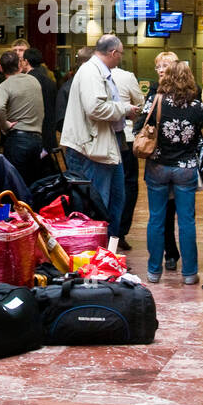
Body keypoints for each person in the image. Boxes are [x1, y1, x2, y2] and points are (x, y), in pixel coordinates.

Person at [62, 35, 141, 252]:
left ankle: (108, 250)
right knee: (98, 202)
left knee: (116, 198)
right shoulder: (90, 73)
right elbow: (95, 108)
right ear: (113, 53)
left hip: (106, 144)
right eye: (121, 54)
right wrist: (125, 109)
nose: (120, 58)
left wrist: (122, 111)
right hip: (92, 149)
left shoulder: (100, 72)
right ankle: (93, 253)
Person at [141, 60, 203, 284]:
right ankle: (189, 274)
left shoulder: (155, 100)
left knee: (156, 219)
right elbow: (199, 135)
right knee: (186, 221)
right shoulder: (198, 106)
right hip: (186, 169)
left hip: (158, 165)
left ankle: (153, 272)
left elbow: (141, 123)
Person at [137, 51, 182, 267]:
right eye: (158, 66)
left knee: (173, 213)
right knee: (163, 213)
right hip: (164, 161)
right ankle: (169, 254)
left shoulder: (187, 93)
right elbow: (142, 122)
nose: (161, 70)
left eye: (165, 65)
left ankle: (169, 255)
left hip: (169, 161)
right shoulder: (155, 90)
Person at [0, 50, 45, 184]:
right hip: (37, 139)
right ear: (20, 65)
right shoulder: (34, 81)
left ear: (0, 68)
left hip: (17, 140)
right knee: (33, 181)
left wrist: (5, 125)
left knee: (15, 183)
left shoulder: (4, 86)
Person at [112, 62, 146, 252]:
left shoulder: (87, 74)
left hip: (100, 139)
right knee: (128, 184)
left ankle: (106, 230)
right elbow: (140, 104)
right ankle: (120, 232)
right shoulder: (127, 76)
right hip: (127, 136)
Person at [21, 47, 59, 163]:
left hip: (32, 134)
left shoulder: (27, 81)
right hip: (48, 133)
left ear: (26, 61)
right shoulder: (50, 82)